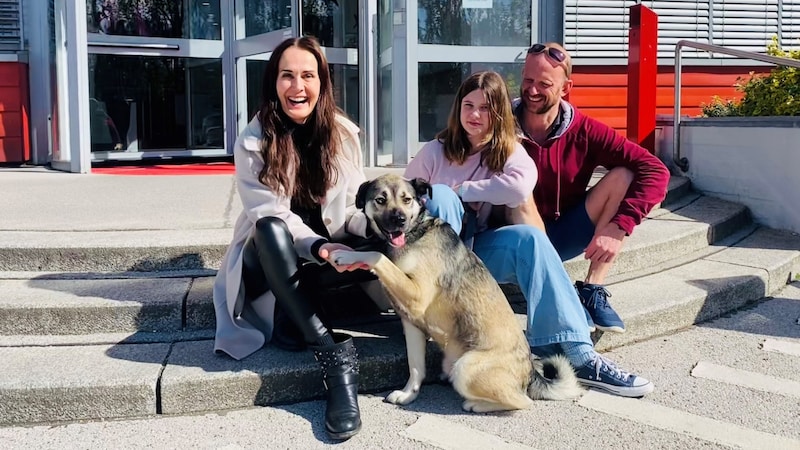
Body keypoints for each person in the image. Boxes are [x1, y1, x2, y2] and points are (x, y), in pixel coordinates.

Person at [404, 70, 654, 398]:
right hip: (430, 268)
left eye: (486, 107)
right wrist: (445, 195)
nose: (475, 114)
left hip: (471, 256)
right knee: (441, 196)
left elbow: (522, 183)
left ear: (499, 114)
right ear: (458, 108)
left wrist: (463, 189)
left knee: (530, 240)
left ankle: (576, 353)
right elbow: (402, 196)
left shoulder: (506, 149)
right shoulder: (435, 151)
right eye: (468, 105)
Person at [212, 36, 381, 441]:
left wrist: (372, 229)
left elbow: (353, 207)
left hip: (324, 256)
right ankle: (334, 360)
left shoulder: (341, 134)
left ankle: (300, 312)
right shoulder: (253, 141)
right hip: (270, 263)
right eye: (287, 75)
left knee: (386, 229)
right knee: (270, 229)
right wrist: (321, 247)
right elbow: (273, 215)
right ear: (273, 82)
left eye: (307, 75)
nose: (297, 86)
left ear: (322, 82)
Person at [514, 42, 670, 334]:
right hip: (514, 236)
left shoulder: (585, 130)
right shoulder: (500, 123)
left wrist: (618, 227)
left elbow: (656, 170)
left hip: (562, 232)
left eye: (544, 84)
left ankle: (591, 289)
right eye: (528, 80)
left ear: (565, 87)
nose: (532, 91)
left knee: (623, 175)